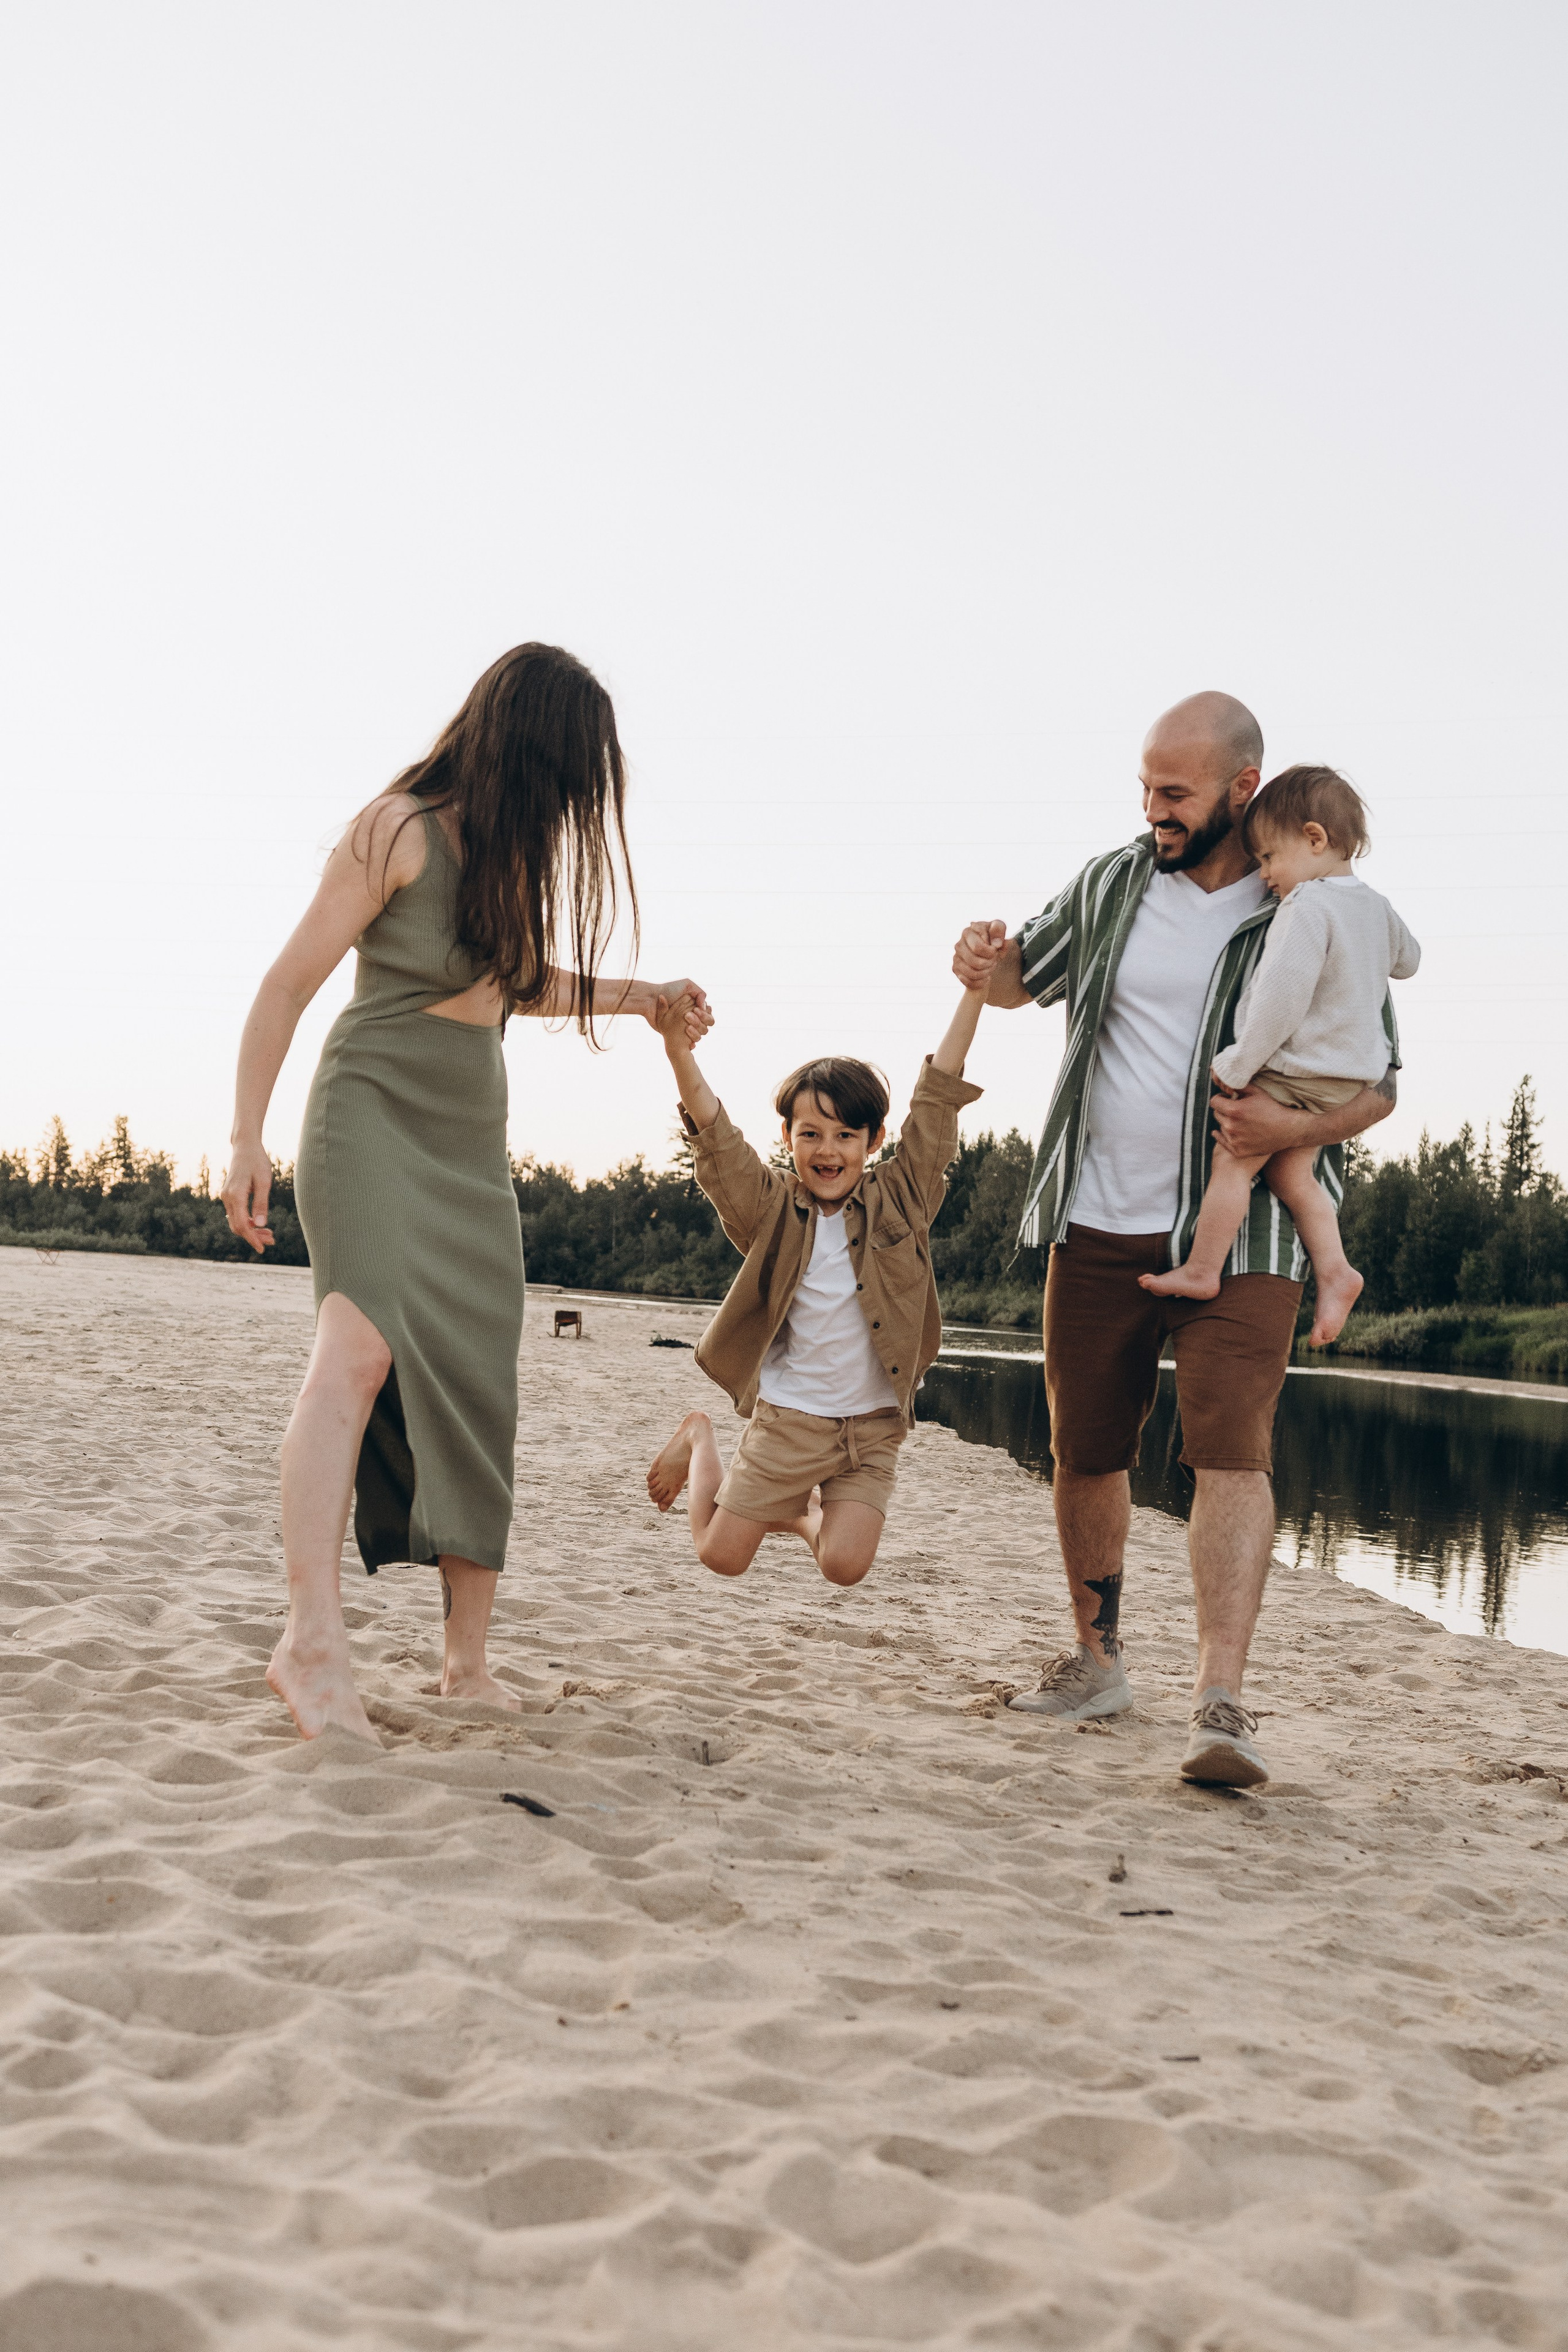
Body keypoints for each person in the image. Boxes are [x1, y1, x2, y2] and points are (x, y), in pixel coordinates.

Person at [222, 643, 712, 1743]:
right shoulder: (394, 827)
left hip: (468, 1139)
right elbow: (286, 983)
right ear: (527, 745)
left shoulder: (508, 855)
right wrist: (245, 1135)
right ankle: (309, 1643)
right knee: (353, 1354)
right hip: (371, 1116)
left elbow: (517, 982)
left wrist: (647, 998)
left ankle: (466, 1665)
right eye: (572, 772)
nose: (579, 803)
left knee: (482, 1377)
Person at [953, 692, 1396, 1789]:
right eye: (1146, 787)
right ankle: (1098, 1663)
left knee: (1231, 1456)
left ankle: (1220, 1704)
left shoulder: (1318, 902)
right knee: (1085, 1450)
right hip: (1094, 1216)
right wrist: (983, 959)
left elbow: (1381, 1088)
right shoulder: (1112, 882)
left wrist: (1292, 1126)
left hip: (1248, 1238)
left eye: (1174, 792)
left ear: (1243, 792)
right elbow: (1020, 981)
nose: (1152, 809)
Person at [643, 974, 987, 1587]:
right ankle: (699, 1438)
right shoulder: (772, 1209)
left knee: (843, 1566)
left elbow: (936, 1101)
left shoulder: (902, 1198)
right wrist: (678, 1051)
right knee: (721, 1556)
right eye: (810, 1134)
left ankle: (802, 1514)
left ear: (874, 1140)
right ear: (788, 1138)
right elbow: (717, 1143)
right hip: (791, 1422)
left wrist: (976, 992)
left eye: (846, 1135)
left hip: (873, 1428)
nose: (828, 1151)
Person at [1140, 766, 1419, 1343]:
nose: (1265, 874)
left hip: (1298, 1071)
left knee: (1234, 1159)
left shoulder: (1308, 907)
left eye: (1269, 857)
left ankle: (1201, 1269)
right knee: (1295, 1173)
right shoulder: (1375, 906)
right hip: (1347, 1079)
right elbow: (1409, 961)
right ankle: (1337, 1272)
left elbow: (1281, 1001)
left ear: (1315, 840)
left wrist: (1239, 1062)